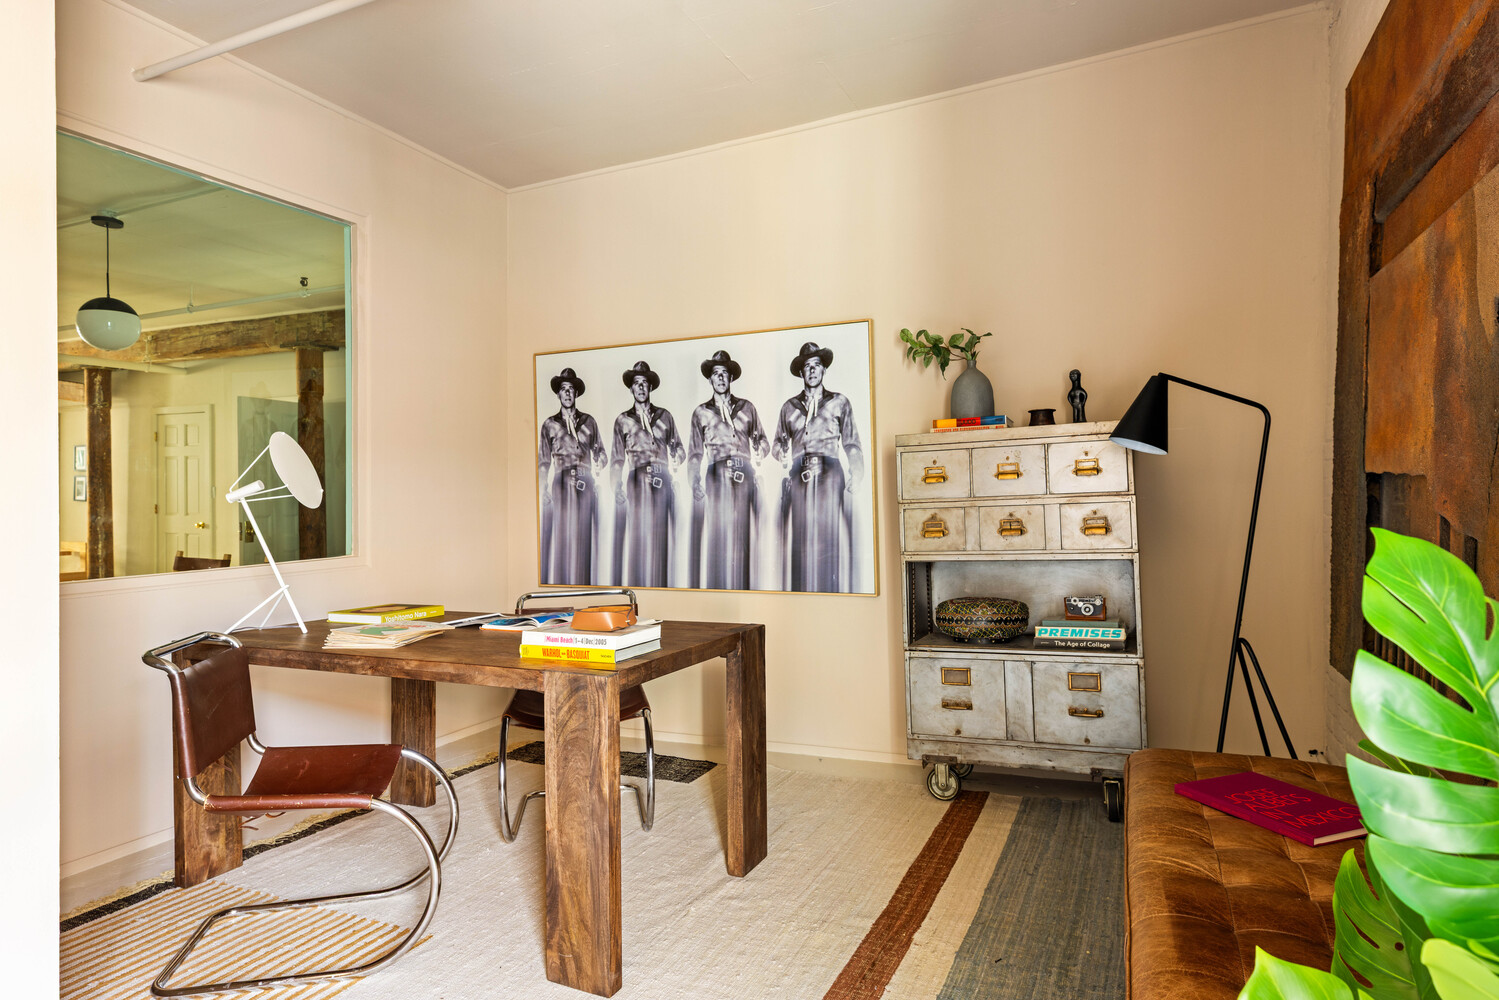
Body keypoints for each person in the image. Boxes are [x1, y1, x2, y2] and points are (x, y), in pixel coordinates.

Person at [771, 341, 865, 592]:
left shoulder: (839, 403)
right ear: (801, 373)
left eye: (817, 366)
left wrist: (857, 470)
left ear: (824, 371)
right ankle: (801, 593)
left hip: (830, 472)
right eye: (807, 367)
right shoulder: (789, 407)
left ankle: (829, 591)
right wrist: (781, 454)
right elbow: (777, 444)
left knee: (827, 538)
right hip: (799, 474)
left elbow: (852, 443)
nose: (812, 371)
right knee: (800, 539)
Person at [687, 350, 769, 590]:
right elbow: (694, 454)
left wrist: (759, 450)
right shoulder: (701, 412)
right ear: (710, 380)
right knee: (719, 536)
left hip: (744, 475)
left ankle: (744, 589)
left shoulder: (747, 408)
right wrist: (694, 482)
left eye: (724, 373)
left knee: (744, 538)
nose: (720, 378)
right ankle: (718, 590)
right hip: (716, 475)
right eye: (716, 374)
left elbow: (763, 441)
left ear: (731, 378)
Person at [610, 361, 685, 587]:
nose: (641, 388)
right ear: (631, 389)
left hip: (663, 479)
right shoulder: (623, 420)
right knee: (639, 537)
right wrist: (617, 487)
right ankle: (639, 586)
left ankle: (662, 584)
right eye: (636, 384)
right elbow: (616, 459)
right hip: (637, 480)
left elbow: (680, 450)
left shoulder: (665, 416)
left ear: (650, 388)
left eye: (645, 383)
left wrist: (676, 455)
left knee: (662, 537)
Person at [537, 368, 607, 584]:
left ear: (576, 394)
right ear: (558, 394)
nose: (567, 394)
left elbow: (602, 454)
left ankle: (585, 584)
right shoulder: (550, 424)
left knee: (584, 538)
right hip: (561, 482)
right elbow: (543, 461)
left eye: (571, 390)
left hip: (585, 481)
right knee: (563, 538)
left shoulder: (589, 422)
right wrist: (543, 489)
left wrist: (599, 463)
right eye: (563, 389)